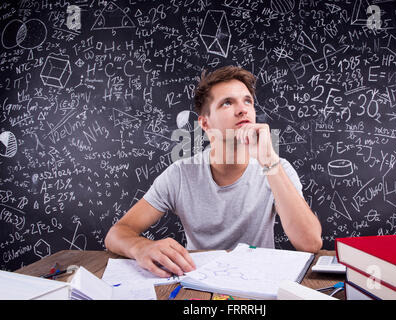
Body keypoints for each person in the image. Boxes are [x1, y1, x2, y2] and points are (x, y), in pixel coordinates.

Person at [105, 66, 322, 278]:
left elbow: (310, 243)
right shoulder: (181, 174)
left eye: (248, 101)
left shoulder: (277, 168)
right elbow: (117, 233)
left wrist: (269, 160)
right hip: (196, 281)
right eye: (227, 103)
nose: (242, 109)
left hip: (257, 282)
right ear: (205, 124)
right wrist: (140, 247)